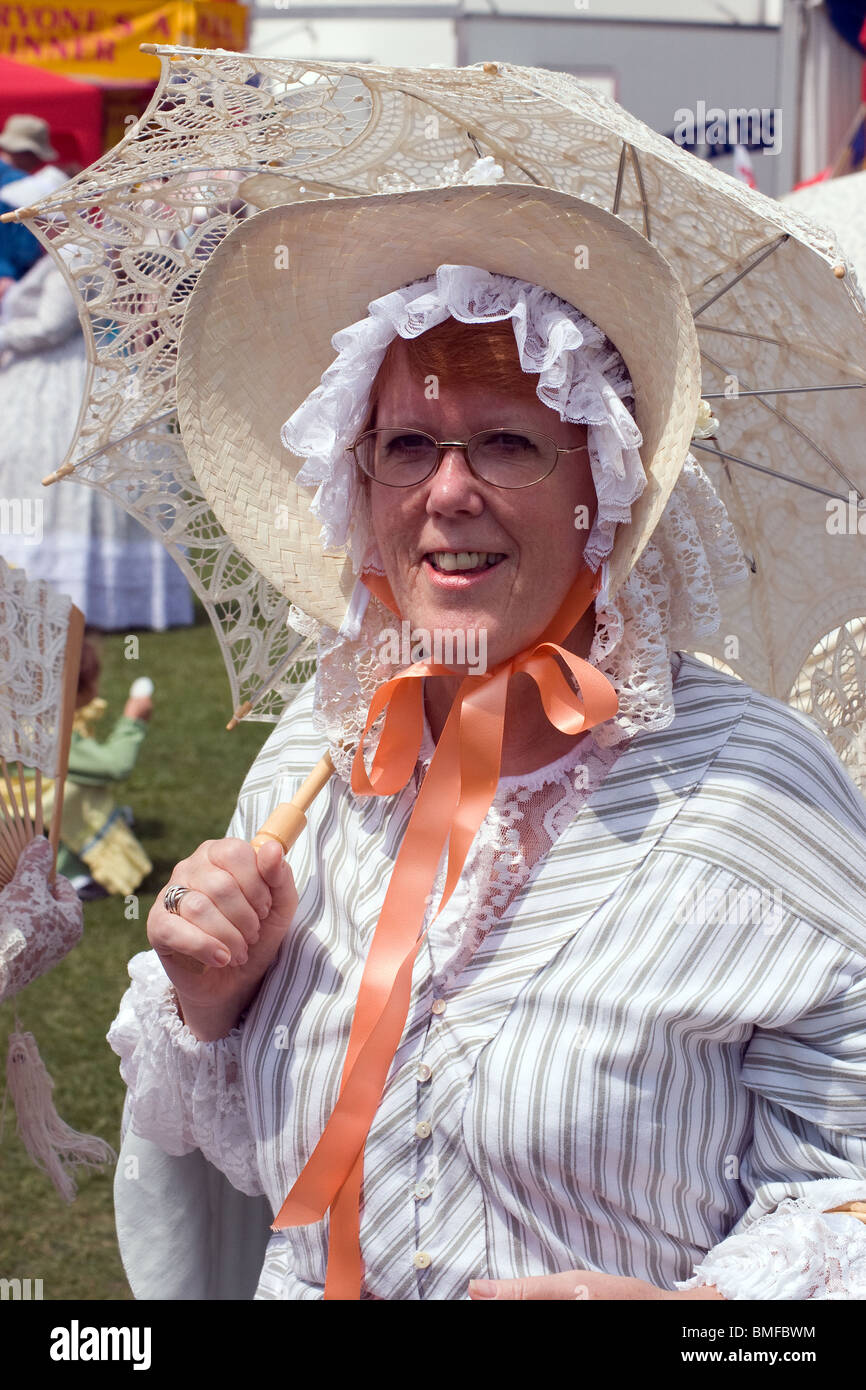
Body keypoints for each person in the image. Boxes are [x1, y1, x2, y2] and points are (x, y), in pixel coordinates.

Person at [109, 182, 866, 1301]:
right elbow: (238, 1160)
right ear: (355, 487)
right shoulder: (314, 761)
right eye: (406, 444)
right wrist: (213, 1000)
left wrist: (698, 1321)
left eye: (507, 443)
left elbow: (847, 1179)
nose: (446, 492)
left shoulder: (755, 787)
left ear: (601, 490)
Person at [51, 637, 154, 900]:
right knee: (73, 791)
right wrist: (133, 720)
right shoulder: (54, 737)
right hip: (32, 822)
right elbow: (114, 766)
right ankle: (71, 875)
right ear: (77, 689)